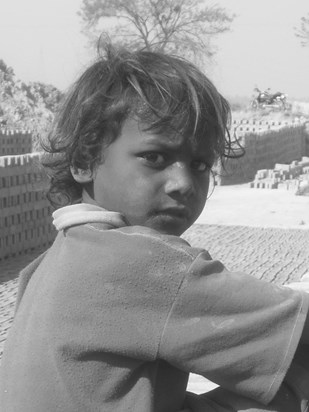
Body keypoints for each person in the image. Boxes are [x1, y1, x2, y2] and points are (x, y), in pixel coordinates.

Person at [0, 43, 308, 412]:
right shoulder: (138, 262)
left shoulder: (47, 263)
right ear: (84, 160)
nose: (183, 183)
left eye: (199, 165)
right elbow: (295, 327)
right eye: (155, 157)